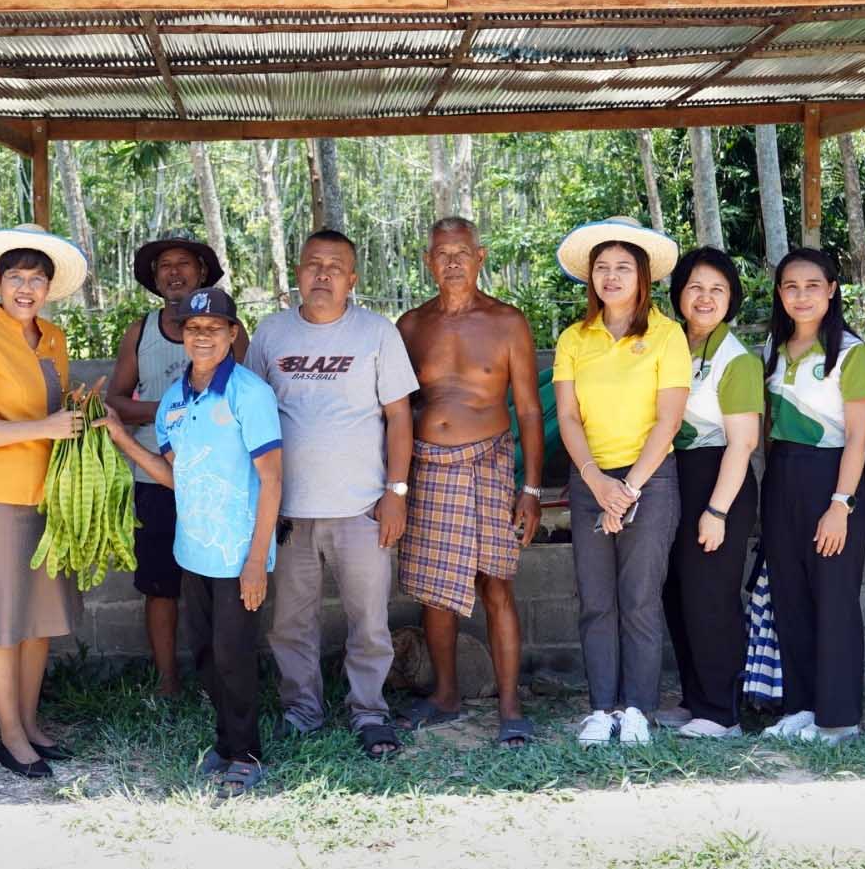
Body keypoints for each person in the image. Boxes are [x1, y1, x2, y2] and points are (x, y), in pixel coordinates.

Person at [98, 287, 283, 798]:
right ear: (182, 336)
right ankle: (225, 743)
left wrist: (255, 562)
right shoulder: (176, 399)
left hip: (237, 553)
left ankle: (245, 753)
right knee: (203, 651)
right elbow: (175, 476)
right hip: (193, 549)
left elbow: (271, 480)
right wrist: (123, 440)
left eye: (214, 329)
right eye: (194, 329)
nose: (203, 336)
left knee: (234, 653)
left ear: (231, 335)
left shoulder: (250, 393)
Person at [247, 229, 417, 759]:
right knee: (291, 623)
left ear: (352, 279)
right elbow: (250, 414)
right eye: (313, 265)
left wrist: (397, 490)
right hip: (289, 510)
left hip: (362, 508)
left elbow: (399, 417)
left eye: (335, 267)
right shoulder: (270, 334)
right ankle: (302, 711)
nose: (323, 275)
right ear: (297, 273)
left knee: (369, 621)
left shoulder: (377, 333)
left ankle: (370, 713)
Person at [394, 216, 543, 747]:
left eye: (462, 252)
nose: (452, 261)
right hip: (429, 469)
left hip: (491, 465)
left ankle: (509, 703)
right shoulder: (410, 327)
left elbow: (527, 409)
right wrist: (393, 486)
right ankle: (446, 695)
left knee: (496, 584)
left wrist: (531, 490)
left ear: (480, 258)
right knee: (435, 592)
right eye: (442, 253)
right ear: (429, 261)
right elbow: (396, 410)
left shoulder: (507, 323)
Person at [0, 225, 89, 779]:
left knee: (37, 619)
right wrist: (45, 426)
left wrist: (75, 411)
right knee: (1, 620)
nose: (25, 288)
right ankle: (8, 737)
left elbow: (55, 410)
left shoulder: (53, 337)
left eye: (36, 279)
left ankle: (29, 724)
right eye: (15, 278)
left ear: (49, 288)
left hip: (45, 495)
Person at [550, 218, 689, 748]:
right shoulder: (573, 338)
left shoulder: (665, 334)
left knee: (639, 599)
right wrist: (596, 482)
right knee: (596, 601)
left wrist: (625, 489)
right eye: (602, 268)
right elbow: (567, 417)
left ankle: (638, 710)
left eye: (622, 268)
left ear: (642, 276)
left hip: (649, 483)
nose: (611, 277)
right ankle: (601, 709)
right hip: (590, 483)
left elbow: (668, 420)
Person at [108, 234, 245, 697]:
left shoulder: (230, 329)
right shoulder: (140, 331)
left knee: (215, 584)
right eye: (164, 266)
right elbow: (114, 400)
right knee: (160, 586)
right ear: (154, 278)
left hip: (216, 479)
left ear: (201, 273)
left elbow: (238, 395)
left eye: (183, 264)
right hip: (154, 476)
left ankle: (218, 680)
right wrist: (167, 411)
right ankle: (167, 681)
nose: (173, 272)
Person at [758, 248, 865, 745]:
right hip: (782, 478)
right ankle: (801, 706)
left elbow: (859, 438)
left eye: (812, 285)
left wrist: (840, 504)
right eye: (790, 286)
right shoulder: (772, 348)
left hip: (832, 480)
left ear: (831, 290)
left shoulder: (852, 352)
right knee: (790, 597)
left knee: (833, 598)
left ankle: (839, 716)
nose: (801, 295)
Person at [657, 247, 764, 740]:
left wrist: (716, 510)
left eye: (717, 289)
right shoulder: (668, 343)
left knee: (710, 597)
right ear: (679, 293)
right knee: (676, 593)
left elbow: (743, 442)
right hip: (672, 478)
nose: (705, 298)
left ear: (732, 299)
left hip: (719, 480)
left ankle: (722, 711)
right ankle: (695, 699)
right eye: (696, 287)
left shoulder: (735, 359)